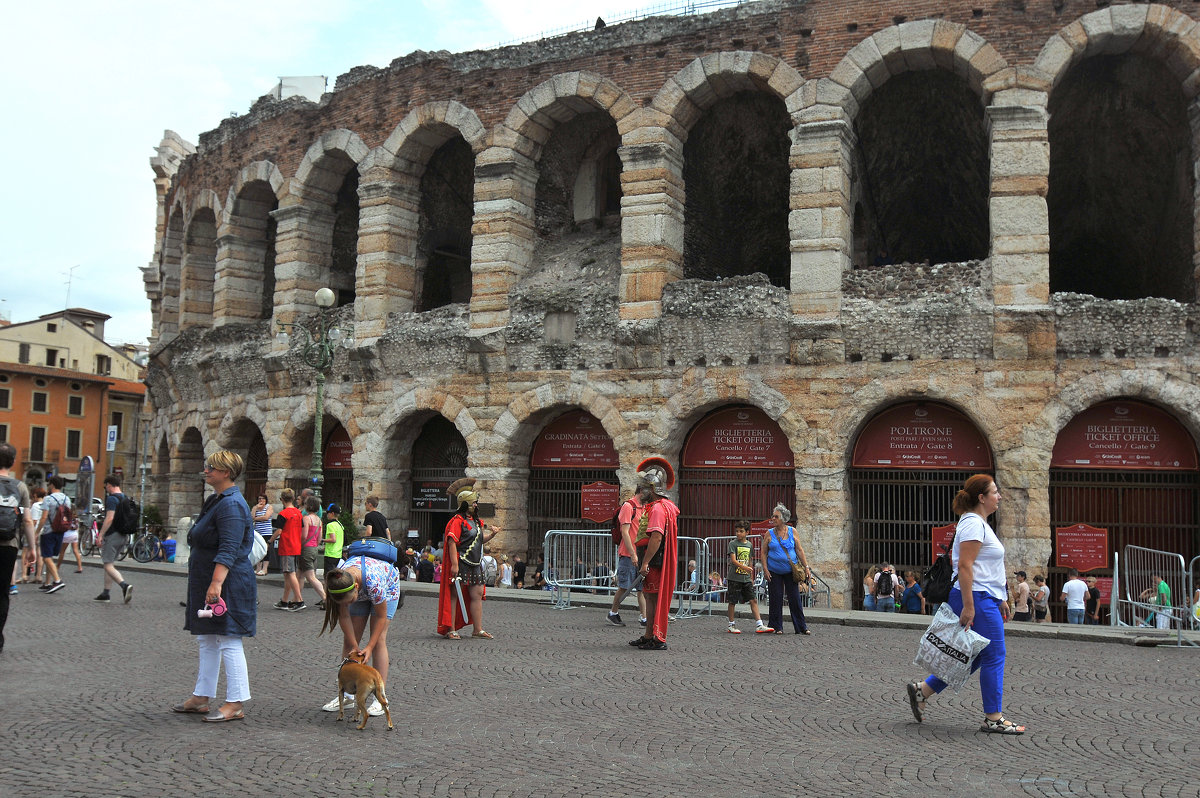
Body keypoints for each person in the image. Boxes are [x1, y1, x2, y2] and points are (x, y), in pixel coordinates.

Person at [905, 474, 1025, 734]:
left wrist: (1001, 598)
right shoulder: (972, 524)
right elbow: (965, 566)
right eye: (994, 492)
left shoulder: (980, 523)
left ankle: (922, 691)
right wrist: (970, 606)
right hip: (976, 598)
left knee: (979, 654)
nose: (999, 496)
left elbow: (986, 567)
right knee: (995, 655)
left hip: (985, 597)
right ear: (981, 498)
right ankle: (993, 718)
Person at [173, 450, 257, 723]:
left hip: (227, 582)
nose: (206, 470)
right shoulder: (216, 500)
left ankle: (235, 702)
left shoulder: (232, 504)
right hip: (209, 579)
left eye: (212, 467)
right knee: (206, 637)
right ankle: (201, 696)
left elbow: (230, 547)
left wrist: (216, 583)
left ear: (226, 473)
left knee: (228, 639)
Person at [319, 553, 402, 716]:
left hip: (388, 586)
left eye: (349, 602)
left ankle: (380, 699)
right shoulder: (340, 582)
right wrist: (355, 645)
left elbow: (380, 616)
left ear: (356, 587)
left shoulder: (374, 582)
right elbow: (343, 616)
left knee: (379, 642)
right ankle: (348, 695)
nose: (348, 606)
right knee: (349, 643)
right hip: (362, 589)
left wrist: (369, 647)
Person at [438, 478, 500, 639]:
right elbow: (452, 543)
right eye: (473, 503)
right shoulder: (457, 522)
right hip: (461, 562)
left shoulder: (477, 522)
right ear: (465, 504)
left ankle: (477, 629)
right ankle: (451, 629)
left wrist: (492, 534)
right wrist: (454, 565)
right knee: (454, 595)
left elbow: (479, 541)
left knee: (477, 594)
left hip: (475, 563)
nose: (476, 505)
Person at [628, 458, 679, 650]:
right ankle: (649, 634)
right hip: (654, 560)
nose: (642, 493)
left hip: (656, 561)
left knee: (654, 598)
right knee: (650, 597)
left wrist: (645, 562)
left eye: (644, 489)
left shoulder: (658, 508)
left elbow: (656, 538)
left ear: (652, 489)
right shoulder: (665, 506)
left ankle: (657, 637)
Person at [0, 442, 36, 654]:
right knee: (2, 593)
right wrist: (31, 548)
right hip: (8, 546)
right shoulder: (20, 487)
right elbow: (28, 521)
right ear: (13, 462)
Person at [761, 503, 813, 635]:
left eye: (776, 516)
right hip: (774, 570)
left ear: (784, 518)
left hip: (791, 570)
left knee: (795, 598)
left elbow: (799, 550)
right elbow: (763, 552)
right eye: (773, 516)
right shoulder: (769, 533)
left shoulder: (792, 531)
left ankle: (801, 627)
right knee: (775, 598)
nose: (773, 518)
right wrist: (765, 569)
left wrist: (806, 567)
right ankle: (776, 626)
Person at [606, 483, 649, 627]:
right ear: (642, 492)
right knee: (624, 586)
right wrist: (632, 554)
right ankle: (613, 613)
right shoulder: (628, 506)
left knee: (642, 588)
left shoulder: (645, 507)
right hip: (627, 554)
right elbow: (625, 532)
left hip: (640, 553)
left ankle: (644, 617)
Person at [93, 475, 134, 604]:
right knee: (109, 563)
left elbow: (110, 518)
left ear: (109, 485)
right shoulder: (125, 497)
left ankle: (124, 586)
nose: (106, 489)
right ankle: (106, 593)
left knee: (108, 564)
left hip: (112, 535)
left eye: (106, 486)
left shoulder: (112, 499)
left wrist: (101, 535)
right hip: (123, 534)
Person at [725, 520, 772, 634]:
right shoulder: (733, 544)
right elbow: (733, 560)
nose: (738, 534)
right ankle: (731, 624)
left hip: (746, 578)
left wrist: (750, 576)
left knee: (753, 600)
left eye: (741, 531)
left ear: (747, 532)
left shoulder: (749, 545)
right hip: (734, 577)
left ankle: (759, 624)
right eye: (737, 531)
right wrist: (745, 568)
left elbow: (750, 560)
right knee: (732, 601)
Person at [267, 489, 304, 611]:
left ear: (282, 499)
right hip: (296, 545)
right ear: (293, 498)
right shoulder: (299, 513)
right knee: (288, 574)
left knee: (290, 573)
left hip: (287, 545)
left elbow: (278, 531)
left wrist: (269, 541)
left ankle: (299, 600)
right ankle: (284, 600)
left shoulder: (283, 514)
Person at [36, 477, 70, 593]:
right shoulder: (67, 499)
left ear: (52, 485)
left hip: (49, 531)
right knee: (50, 556)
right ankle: (47, 583)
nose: (48, 486)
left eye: (49, 484)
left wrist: (36, 532)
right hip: (61, 530)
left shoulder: (48, 499)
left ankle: (57, 580)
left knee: (46, 556)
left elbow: (44, 517)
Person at [299, 496, 328, 609]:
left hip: (306, 548)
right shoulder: (319, 520)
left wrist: (300, 544)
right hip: (314, 548)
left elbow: (304, 535)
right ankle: (298, 598)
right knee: (299, 574)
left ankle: (325, 598)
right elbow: (320, 538)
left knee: (310, 577)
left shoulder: (306, 519)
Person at [251, 493, 273, 576]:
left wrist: (256, 519)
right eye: (259, 499)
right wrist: (255, 508)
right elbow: (251, 516)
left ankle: (265, 569)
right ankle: (258, 568)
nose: (261, 500)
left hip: (266, 532)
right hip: (257, 531)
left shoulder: (269, 507)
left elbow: (266, 517)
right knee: (258, 549)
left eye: (263, 499)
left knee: (266, 550)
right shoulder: (255, 507)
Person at [321, 503, 345, 576]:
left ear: (332, 513)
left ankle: (326, 588)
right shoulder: (340, 525)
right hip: (338, 554)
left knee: (328, 576)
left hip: (330, 554)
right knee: (335, 576)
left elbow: (333, 539)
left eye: (328, 513)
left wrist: (322, 540)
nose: (327, 515)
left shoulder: (330, 525)